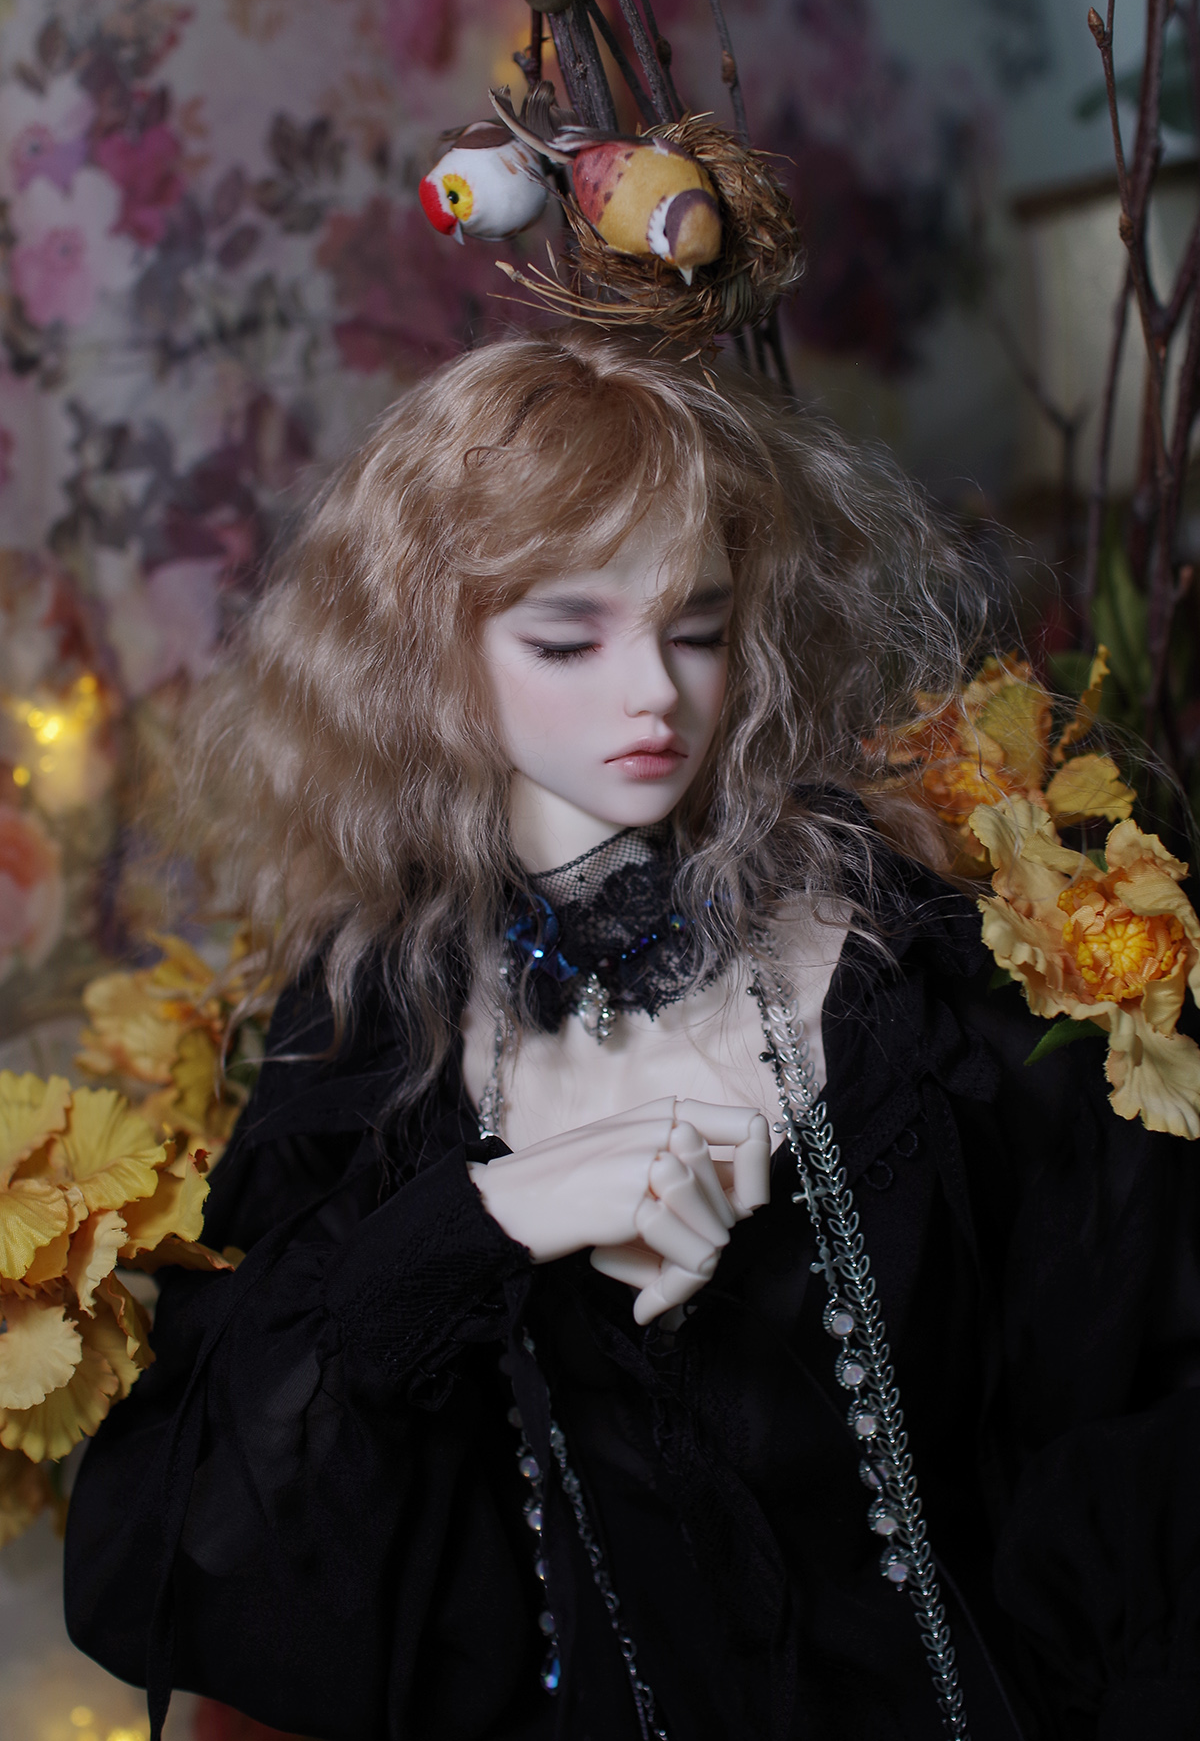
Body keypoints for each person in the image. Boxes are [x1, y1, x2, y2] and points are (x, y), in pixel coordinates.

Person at [65, 330, 1200, 1741]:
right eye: (568, 639)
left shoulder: (916, 983)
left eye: (696, 628)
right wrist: (485, 1220)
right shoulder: (376, 1030)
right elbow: (212, 1542)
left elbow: (1138, 1412)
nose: (654, 694)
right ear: (432, 651)